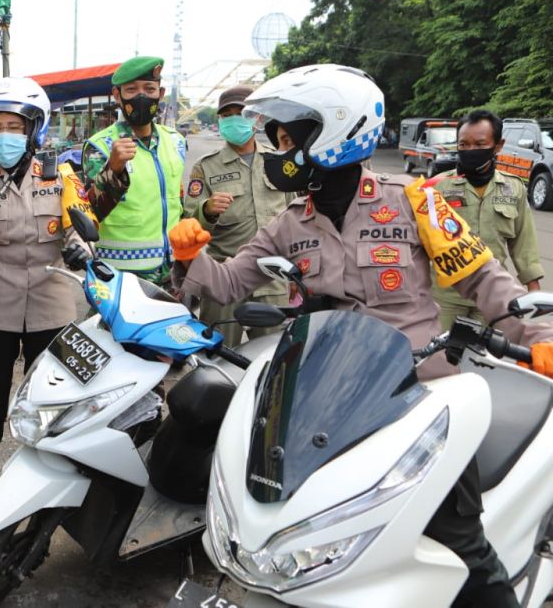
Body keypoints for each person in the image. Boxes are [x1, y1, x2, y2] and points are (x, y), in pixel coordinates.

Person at [168, 64, 553, 608]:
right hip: (327, 399)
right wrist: (191, 256)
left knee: (460, 540)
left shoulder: (414, 202)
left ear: (333, 135)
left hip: (421, 398)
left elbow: (484, 279)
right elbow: (230, 283)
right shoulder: (289, 223)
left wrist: (538, 336)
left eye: (285, 140)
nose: (275, 152)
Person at [0, 77, 95, 520]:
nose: (4, 136)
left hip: (52, 301)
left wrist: (81, 249)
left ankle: (51, 474)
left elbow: (83, 227)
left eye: (14, 126)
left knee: (54, 395)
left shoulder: (61, 177)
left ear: (34, 130)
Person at [182, 85, 291, 345]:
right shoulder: (206, 167)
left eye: (240, 112)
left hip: (273, 281)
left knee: (273, 358)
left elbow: (298, 217)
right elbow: (188, 226)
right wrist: (206, 210)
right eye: (226, 114)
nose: (233, 118)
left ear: (257, 117)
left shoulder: (280, 162)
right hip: (223, 280)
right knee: (217, 357)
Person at [430, 110, 543, 329]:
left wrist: (534, 291)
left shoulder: (514, 189)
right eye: (463, 145)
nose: (470, 150)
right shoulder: (436, 187)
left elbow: (523, 243)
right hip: (445, 298)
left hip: (492, 296)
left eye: (480, 144)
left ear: (498, 146)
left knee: (482, 359)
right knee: (440, 359)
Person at [81, 55, 186, 285]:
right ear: (117, 96)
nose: (141, 96)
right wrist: (113, 170)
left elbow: (177, 205)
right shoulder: (100, 146)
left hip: (173, 275)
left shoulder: (177, 141)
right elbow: (90, 214)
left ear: (160, 94)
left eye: (149, 88)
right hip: (119, 278)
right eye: (131, 89)